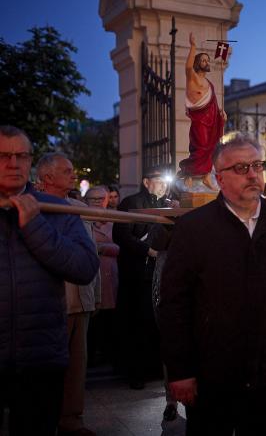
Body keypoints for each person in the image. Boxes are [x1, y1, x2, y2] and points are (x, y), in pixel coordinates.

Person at [159, 132, 266, 436]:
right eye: (241, 168)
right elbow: (174, 305)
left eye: (257, 165)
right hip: (212, 373)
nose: (253, 175)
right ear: (218, 178)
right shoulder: (194, 228)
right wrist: (181, 371)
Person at [0, 125, 99, 436]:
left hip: (40, 358)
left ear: (30, 161)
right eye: (3, 155)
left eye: (21, 155)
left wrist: (34, 225)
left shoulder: (56, 210)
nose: (13, 163)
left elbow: (84, 267)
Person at [36, 152, 101, 436]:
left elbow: (91, 253)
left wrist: (94, 295)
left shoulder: (78, 207)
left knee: (77, 367)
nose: (73, 175)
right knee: (47, 370)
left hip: (81, 299)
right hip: (53, 301)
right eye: (66, 171)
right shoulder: (34, 209)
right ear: (47, 177)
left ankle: (72, 420)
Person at [112, 170, 169, 389]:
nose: (163, 185)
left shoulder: (169, 203)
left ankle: (155, 370)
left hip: (159, 273)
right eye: (159, 181)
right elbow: (122, 235)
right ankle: (135, 372)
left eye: (165, 182)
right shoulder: (131, 202)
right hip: (136, 273)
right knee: (137, 322)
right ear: (146, 182)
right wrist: (148, 250)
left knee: (156, 322)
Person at [177, 32, 226, 189]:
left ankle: (206, 176)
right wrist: (193, 47)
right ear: (198, 63)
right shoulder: (193, 77)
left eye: (207, 60)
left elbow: (213, 102)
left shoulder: (209, 83)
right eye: (203, 60)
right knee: (200, 148)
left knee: (211, 147)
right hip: (199, 118)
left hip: (211, 118)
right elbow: (188, 67)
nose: (206, 62)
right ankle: (189, 174)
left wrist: (221, 115)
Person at [84, 186, 120, 367]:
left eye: (101, 198)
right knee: (92, 324)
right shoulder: (81, 221)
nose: (98, 202)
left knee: (110, 322)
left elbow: (123, 245)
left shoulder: (116, 220)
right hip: (91, 279)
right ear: (86, 201)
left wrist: (100, 248)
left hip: (112, 276)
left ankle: (110, 357)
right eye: (93, 199)